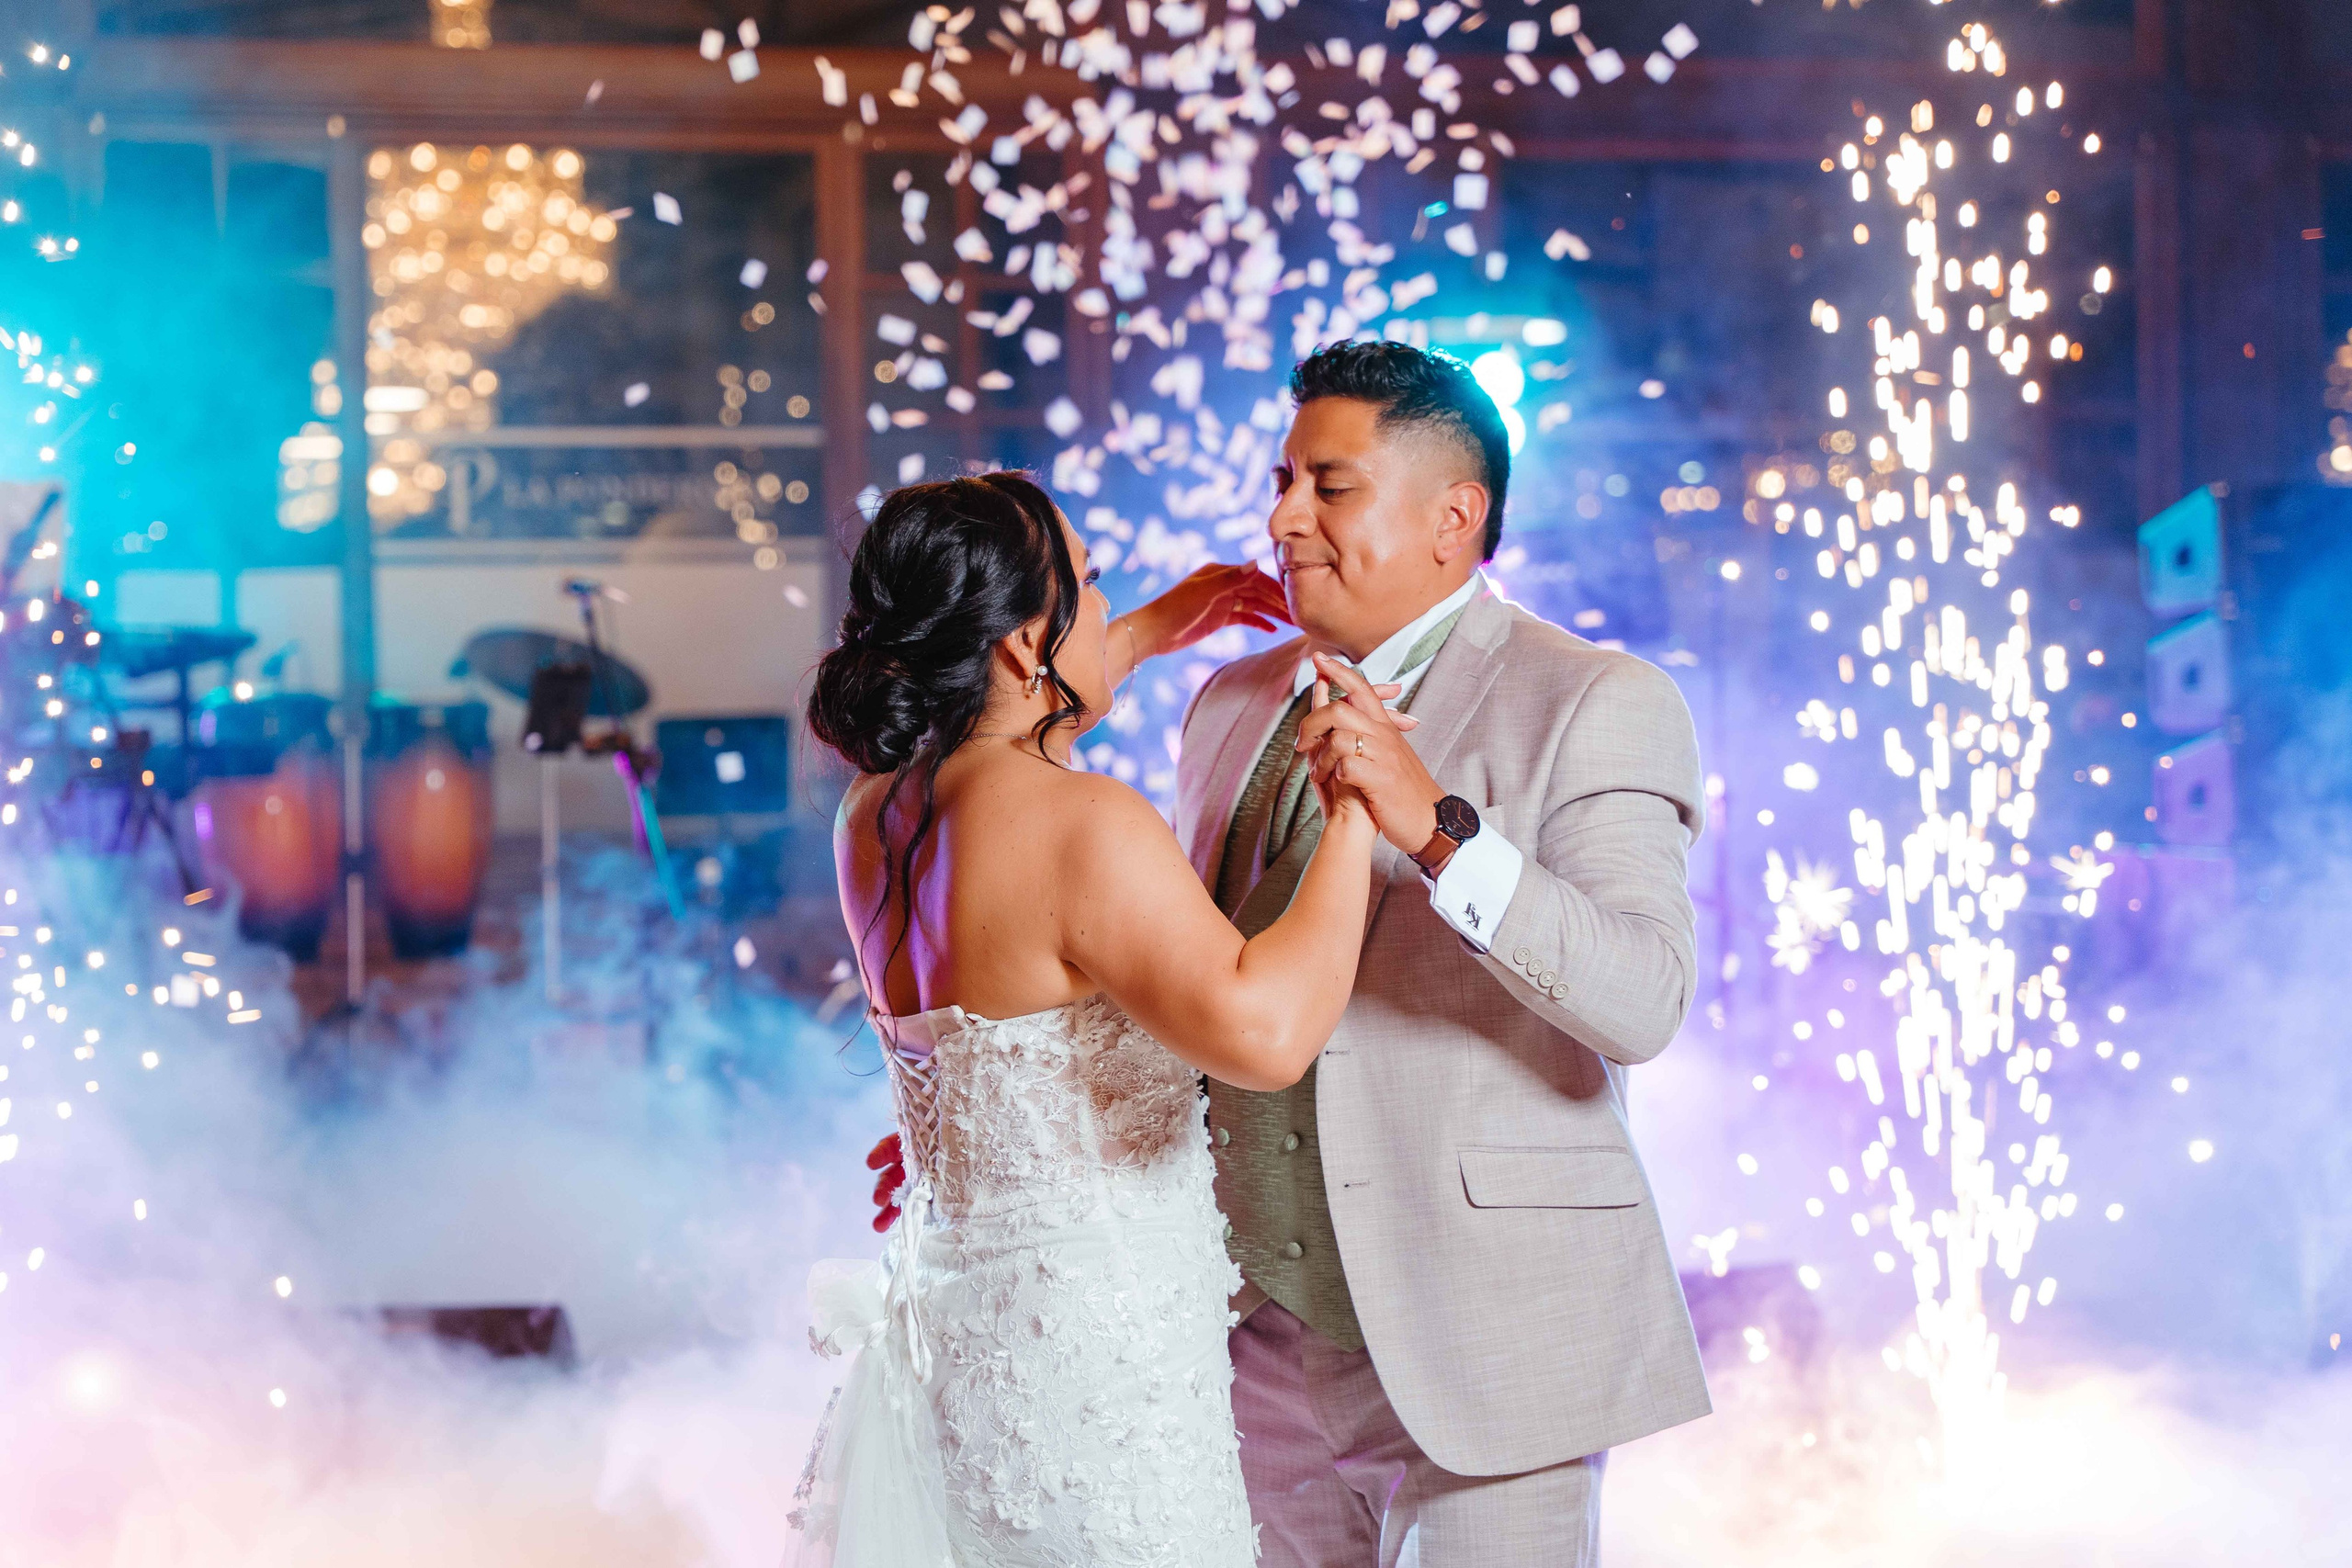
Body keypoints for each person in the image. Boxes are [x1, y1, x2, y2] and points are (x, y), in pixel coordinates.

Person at [873, 343, 1713, 1565]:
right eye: (1282, 478)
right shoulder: (1232, 698)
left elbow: (1644, 997)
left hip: (1481, 1339)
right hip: (1236, 1348)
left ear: (1452, 517)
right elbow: (1143, 942)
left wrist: (1434, 829)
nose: (1280, 516)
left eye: (1329, 485)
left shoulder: (1592, 697)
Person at [788, 469, 1411, 1567]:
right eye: (1088, 579)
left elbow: (1008, 696)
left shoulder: (876, 810)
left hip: (961, 1339)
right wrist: (1357, 812)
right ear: (1027, 643)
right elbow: (1266, 1036)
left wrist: (1163, 624)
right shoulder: (1083, 824)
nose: (1108, 597)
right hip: (1096, 1363)